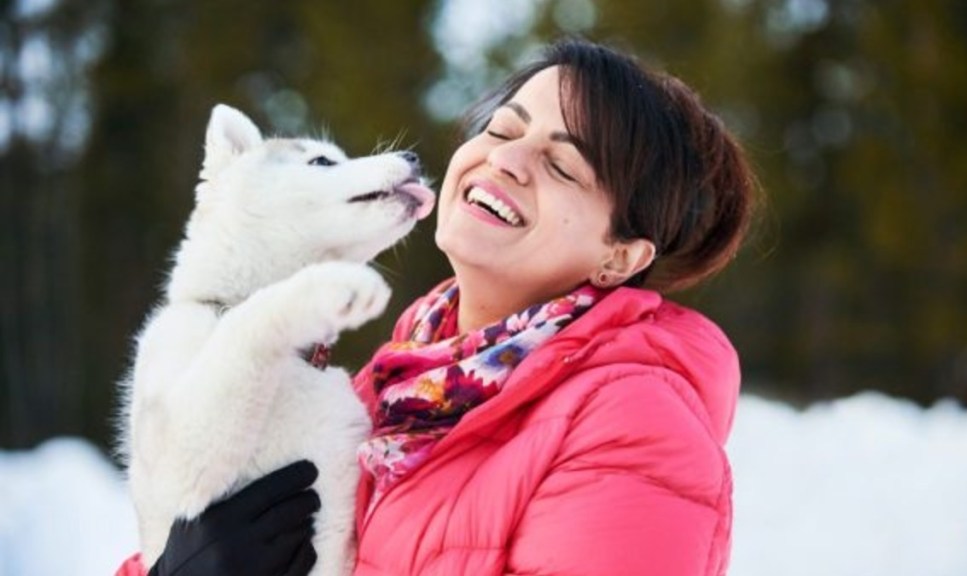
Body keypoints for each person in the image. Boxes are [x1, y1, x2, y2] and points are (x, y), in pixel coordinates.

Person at [116, 37, 756, 576]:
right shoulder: (390, 392)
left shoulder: (632, 424)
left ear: (619, 256)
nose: (505, 159)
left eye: (561, 166)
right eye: (503, 128)